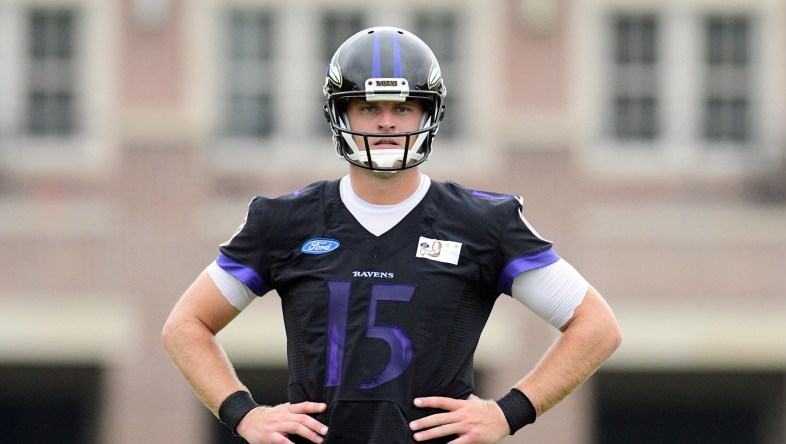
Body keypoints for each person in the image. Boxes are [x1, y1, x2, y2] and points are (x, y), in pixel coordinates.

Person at [162, 26, 621, 444]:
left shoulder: (483, 223)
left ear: (428, 113)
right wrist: (244, 414)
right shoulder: (283, 221)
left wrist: (507, 413)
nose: (386, 123)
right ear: (340, 113)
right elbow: (185, 326)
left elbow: (596, 327)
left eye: (402, 108)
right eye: (368, 107)